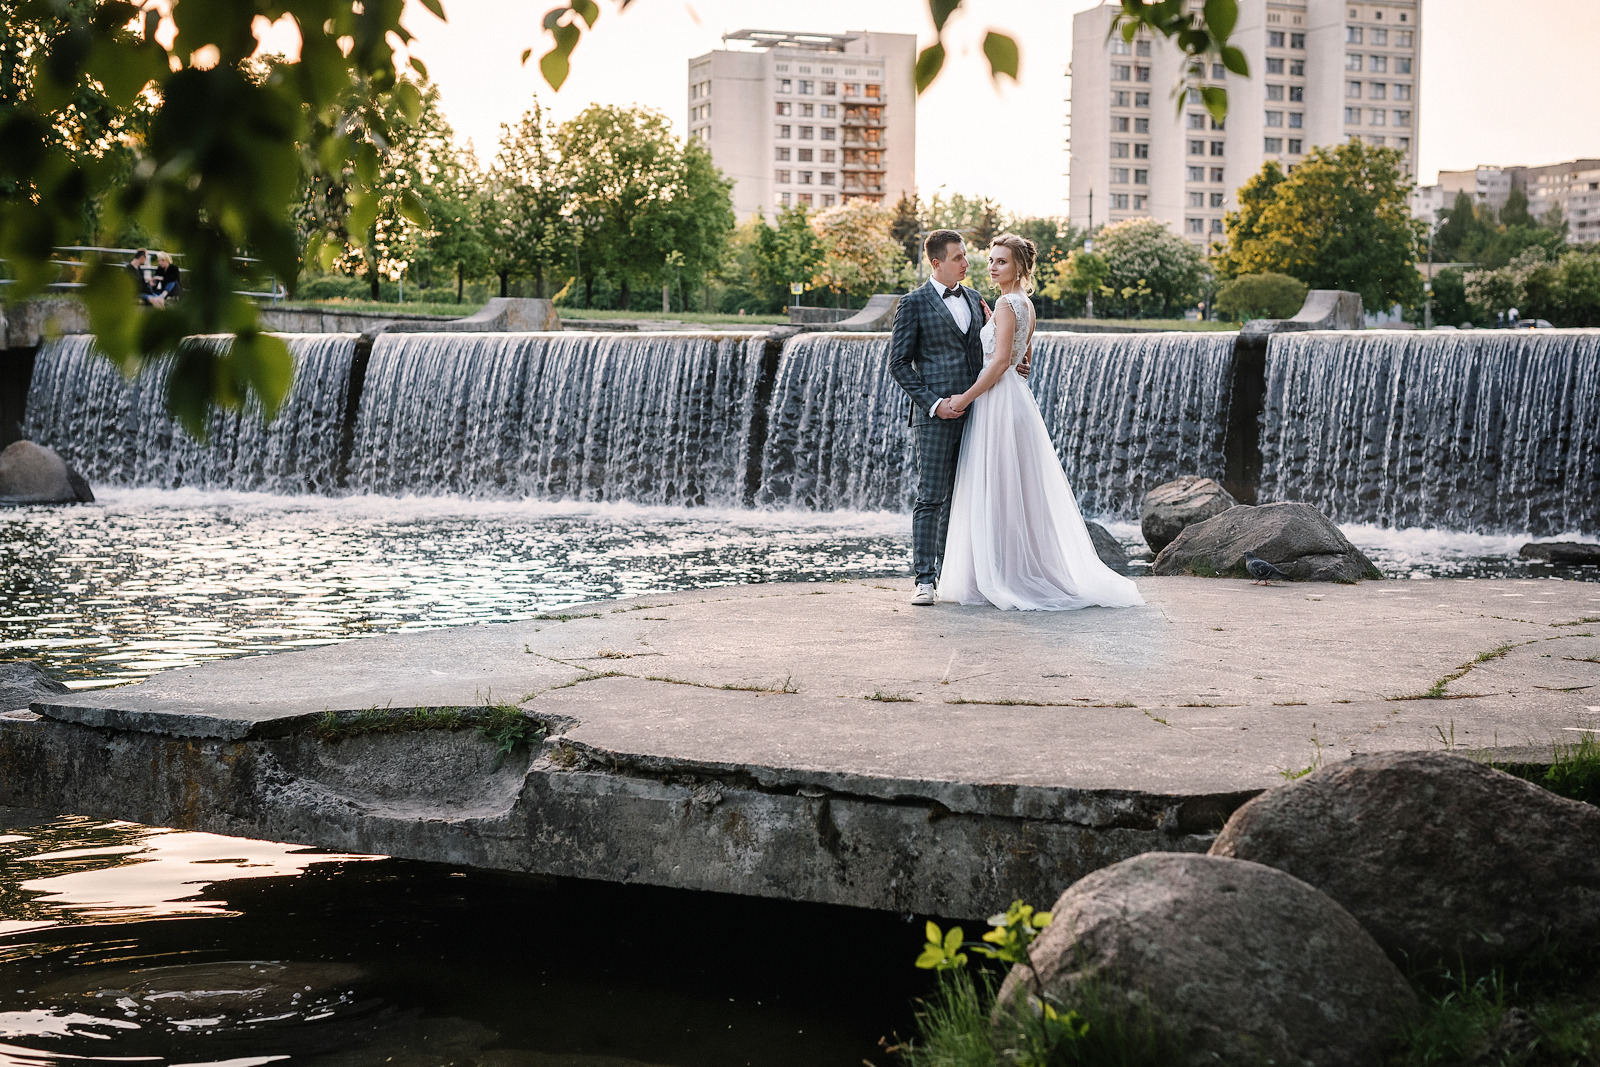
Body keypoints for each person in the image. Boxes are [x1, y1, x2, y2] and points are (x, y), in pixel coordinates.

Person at [936, 234, 1144, 611]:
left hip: (996, 401)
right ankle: (1015, 568)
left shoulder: (1004, 304)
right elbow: (1022, 360)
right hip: (1017, 401)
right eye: (991, 260)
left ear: (1019, 267)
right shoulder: (1026, 305)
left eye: (1001, 261)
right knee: (1017, 489)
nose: (993, 267)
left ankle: (997, 574)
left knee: (997, 487)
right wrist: (993, 328)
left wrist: (963, 399)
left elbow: (999, 363)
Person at [889, 230, 1013, 605]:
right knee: (931, 497)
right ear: (937, 262)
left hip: (980, 412)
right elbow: (898, 364)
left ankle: (958, 577)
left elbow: (993, 352)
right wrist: (933, 403)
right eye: (959, 257)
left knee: (970, 496)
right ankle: (925, 580)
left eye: (966, 256)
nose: (967, 263)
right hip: (935, 417)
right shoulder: (912, 303)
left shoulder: (977, 300)